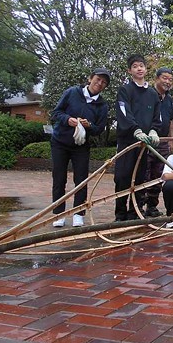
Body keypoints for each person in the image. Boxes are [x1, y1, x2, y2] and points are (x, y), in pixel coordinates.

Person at [50, 68, 110, 227]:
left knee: (82, 179)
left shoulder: (102, 105)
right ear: (90, 78)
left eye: (104, 82)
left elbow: (99, 129)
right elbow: (56, 112)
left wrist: (89, 125)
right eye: (98, 79)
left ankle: (78, 213)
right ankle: (58, 214)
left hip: (81, 145)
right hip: (60, 142)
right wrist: (67, 119)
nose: (100, 83)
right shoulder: (72, 92)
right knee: (59, 178)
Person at [114, 54, 161, 221]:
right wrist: (135, 129)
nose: (139, 68)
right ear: (129, 70)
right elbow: (124, 112)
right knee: (122, 177)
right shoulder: (125, 90)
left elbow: (157, 116)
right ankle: (120, 214)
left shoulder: (152, 94)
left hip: (144, 144)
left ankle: (135, 212)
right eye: (135, 66)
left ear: (146, 69)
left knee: (141, 179)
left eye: (141, 65)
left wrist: (154, 131)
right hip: (128, 141)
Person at [143, 67, 173, 218]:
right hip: (149, 140)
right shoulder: (148, 95)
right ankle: (137, 205)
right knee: (144, 172)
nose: (167, 82)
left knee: (158, 174)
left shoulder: (169, 99)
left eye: (170, 79)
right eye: (164, 78)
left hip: (163, 142)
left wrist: (171, 139)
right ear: (156, 78)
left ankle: (152, 206)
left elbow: (170, 120)